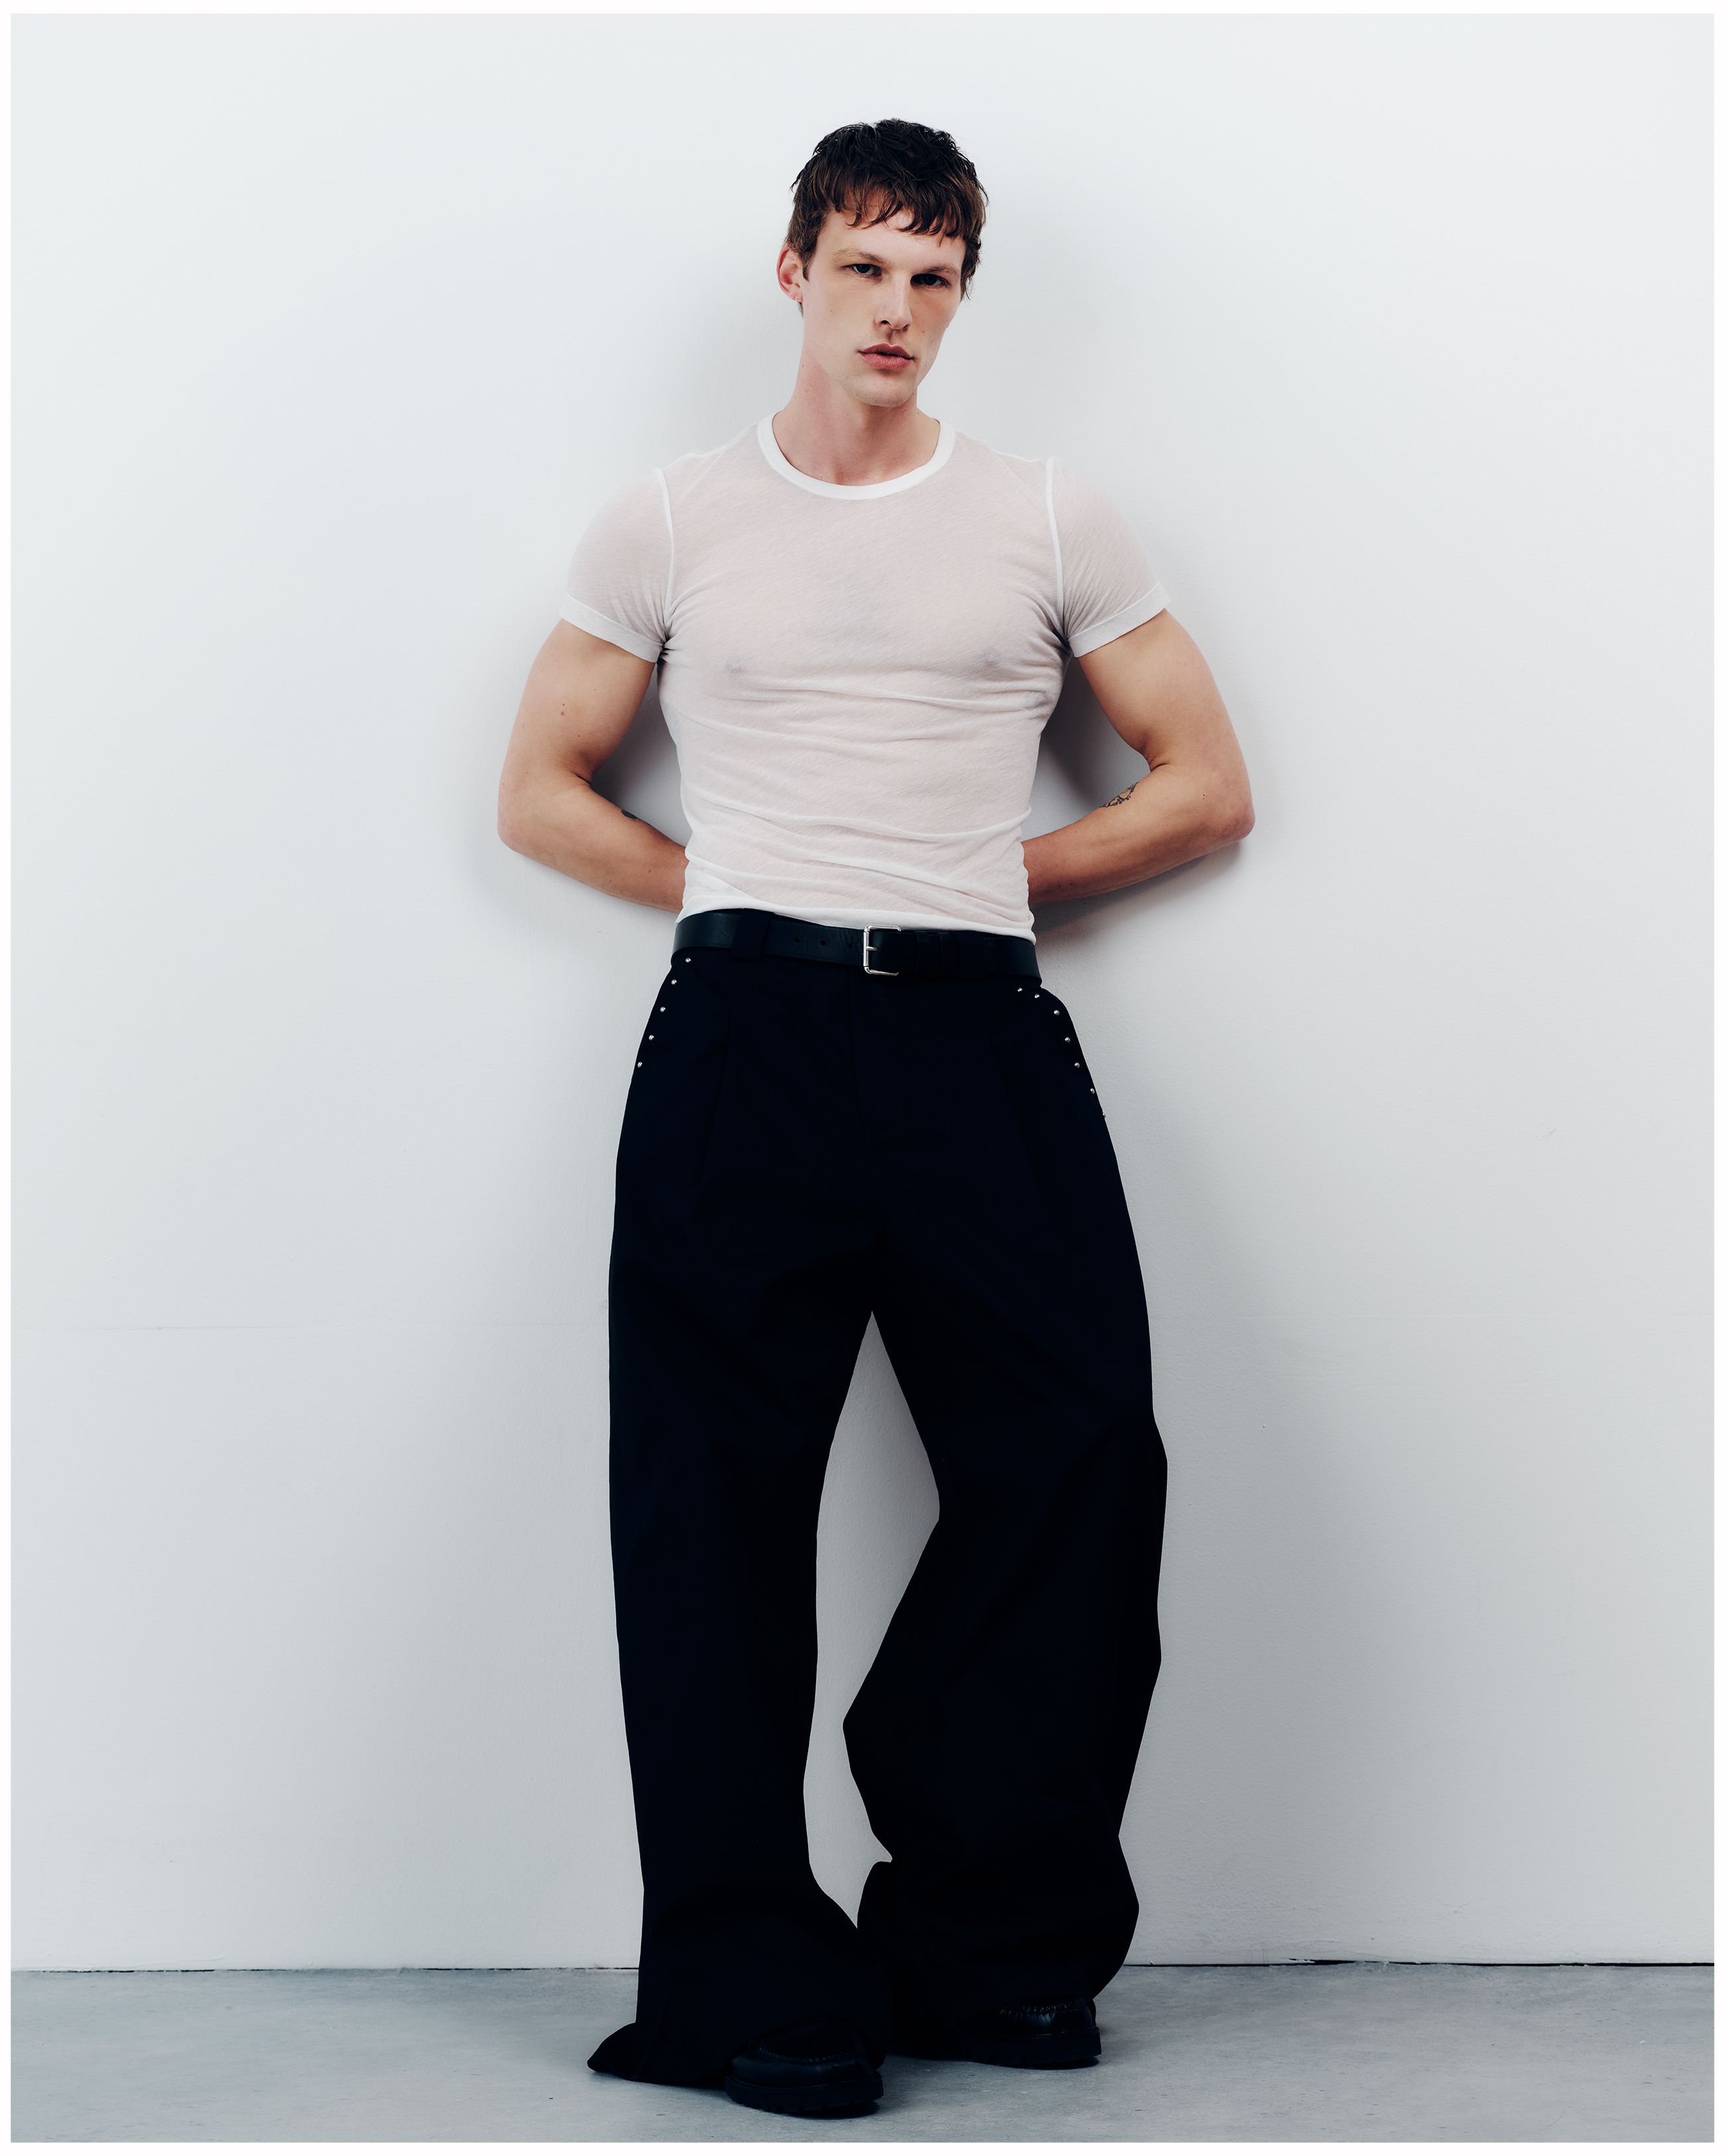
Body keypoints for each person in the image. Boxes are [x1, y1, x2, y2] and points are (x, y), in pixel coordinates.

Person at [497, 117, 1254, 2120]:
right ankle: (748, 1979)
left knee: (1077, 1457)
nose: (897, 309)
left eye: (933, 277)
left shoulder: (1047, 516)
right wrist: (745, 886)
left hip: (980, 1034)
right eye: (865, 268)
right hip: (743, 1036)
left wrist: (979, 878)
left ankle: (984, 1939)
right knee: (711, 1501)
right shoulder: (670, 519)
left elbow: (1204, 785)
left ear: (961, 296)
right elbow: (541, 788)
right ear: (796, 273)